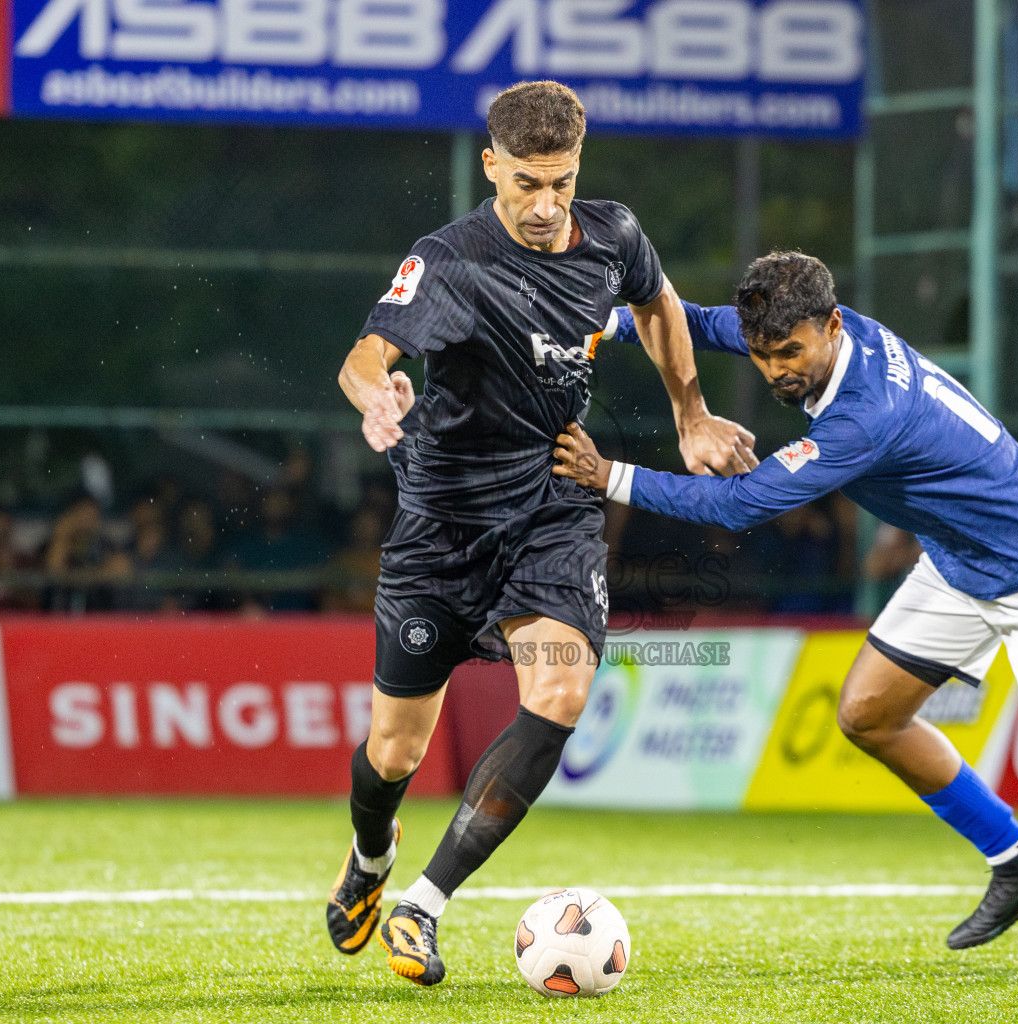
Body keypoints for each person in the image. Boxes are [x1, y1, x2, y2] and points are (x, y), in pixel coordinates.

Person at [554, 251, 1018, 965]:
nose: (777, 369)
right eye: (761, 354)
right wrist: (594, 320)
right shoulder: (811, 332)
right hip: (960, 560)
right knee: (868, 714)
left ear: (832, 327)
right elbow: (683, 322)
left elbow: (740, 503)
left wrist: (608, 475)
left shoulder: (865, 414)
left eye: (791, 352)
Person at [331, 81, 753, 986]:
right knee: (395, 750)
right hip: (442, 522)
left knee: (561, 695)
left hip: (555, 503)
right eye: (526, 182)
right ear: (491, 167)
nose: (546, 204)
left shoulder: (614, 236)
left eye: (560, 182)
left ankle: (425, 906)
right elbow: (366, 357)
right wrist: (380, 398)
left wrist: (692, 412)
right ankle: (372, 858)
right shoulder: (449, 261)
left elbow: (659, 304)